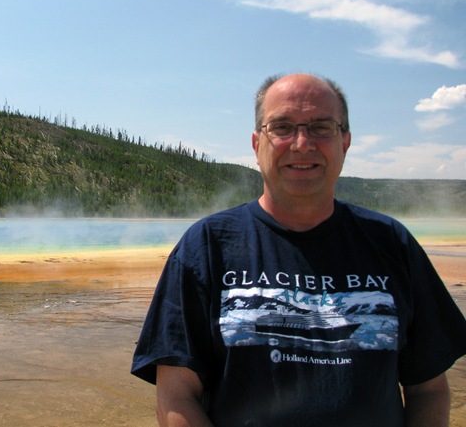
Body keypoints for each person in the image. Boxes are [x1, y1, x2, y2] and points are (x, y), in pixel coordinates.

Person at [131, 73, 466, 426]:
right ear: (257, 143)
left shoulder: (392, 243)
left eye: (322, 127)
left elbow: (428, 389)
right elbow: (176, 396)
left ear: (345, 142)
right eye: (283, 127)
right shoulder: (206, 246)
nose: (302, 143)